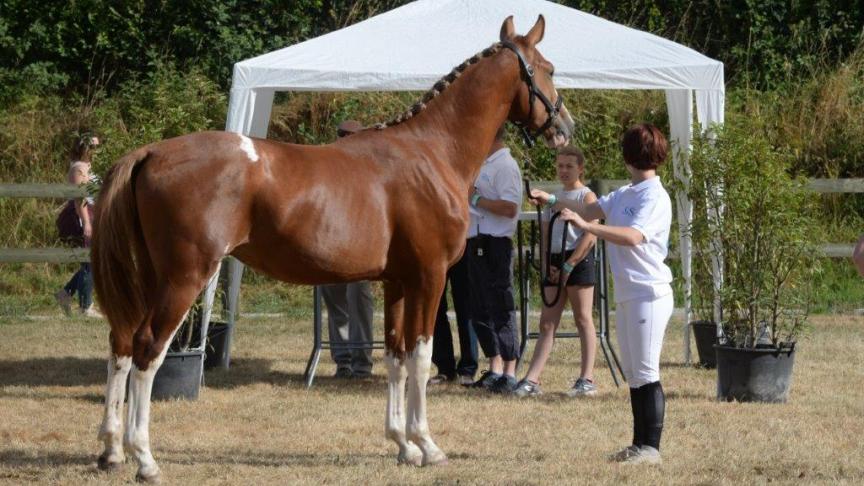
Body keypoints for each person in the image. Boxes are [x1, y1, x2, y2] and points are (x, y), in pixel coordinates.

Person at [532, 123, 673, 465]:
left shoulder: (655, 195)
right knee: (635, 372)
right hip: (629, 293)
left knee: (645, 370)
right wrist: (550, 198)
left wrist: (588, 228)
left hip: (648, 293)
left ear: (629, 156)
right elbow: (586, 207)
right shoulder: (626, 193)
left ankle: (650, 447)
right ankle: (639, 444)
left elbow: (632, 236)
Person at [513, 146, 598, 398]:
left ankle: (587, 378)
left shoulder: (587, 196)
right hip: (555, 259)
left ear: (580, 168)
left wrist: (570, 264)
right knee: (547, 321)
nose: (563, 170)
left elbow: (591, 234)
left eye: (569, 166)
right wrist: (548, 262)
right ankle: (532, 379)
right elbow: (547, 233)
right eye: (560, 165)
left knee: (583, 318)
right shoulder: (553, 198)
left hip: (578, 259)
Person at [466, 125, 523, 393]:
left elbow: (509, 208)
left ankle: (510, 370)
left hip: (496, 242)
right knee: (478, 306)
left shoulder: (505, 166)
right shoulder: (481, 164)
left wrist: (476, 199)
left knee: (501, 303)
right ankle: (494, 366)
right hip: (475, 239)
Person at [322, 120, 375, 379]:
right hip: (329, 243)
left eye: (350, 135)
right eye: (342, 135)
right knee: (334, 302)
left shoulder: (368, 169)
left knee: (359, 299)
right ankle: (343, 361)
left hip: (359, 246)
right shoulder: (326, 165)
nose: (345, 139)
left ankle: (362, 362)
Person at [55, 133, 102, 318]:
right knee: (89, 262)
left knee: (91, 262)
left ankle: (65, 294)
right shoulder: (79, 168)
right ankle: (85, 307)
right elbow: (79, 198)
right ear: (85, 148)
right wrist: (87, 224)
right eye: (94, 147)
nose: (97, 151)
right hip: (82, 217)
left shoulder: (87, 167)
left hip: (92, 214)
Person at [428, 251, 478, 386]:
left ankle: (468, 369)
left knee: (466, 308)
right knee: (436, 307)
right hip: (437, 246)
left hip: (463, 244)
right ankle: (445, 368)